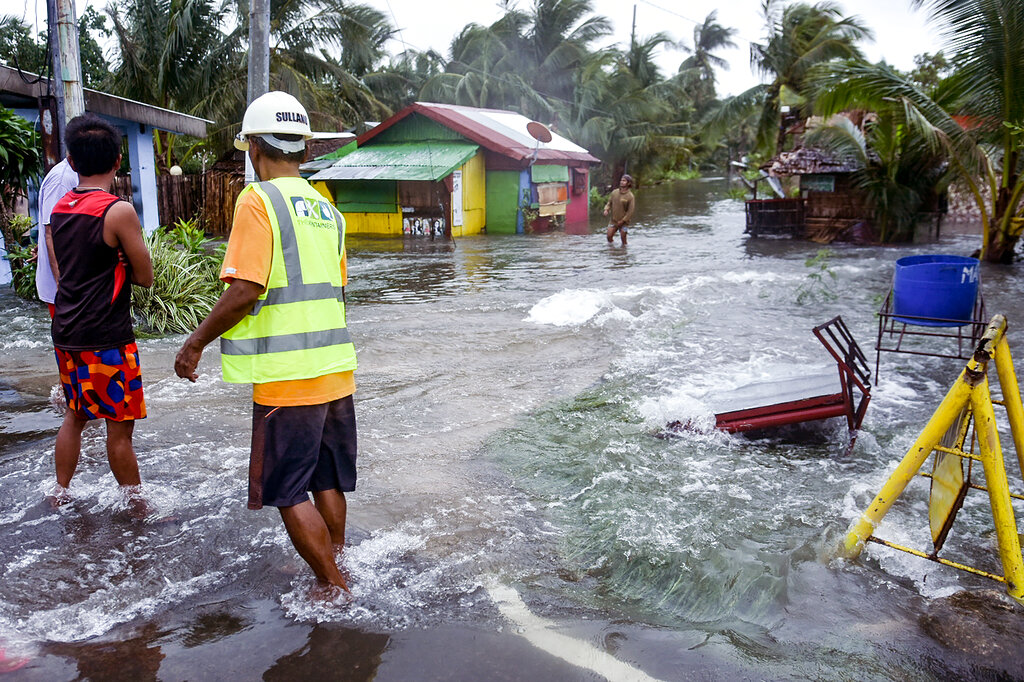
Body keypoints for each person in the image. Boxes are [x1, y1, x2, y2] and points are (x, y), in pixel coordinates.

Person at [174, 91, 358, 595]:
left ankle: (333, 585)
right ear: (302, 146)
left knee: (286, 489)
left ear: (254, 146)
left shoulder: (258, 200)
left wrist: (195, 343)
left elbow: (246, 288)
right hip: (335, 369)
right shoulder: (328, 209)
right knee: (326, 478)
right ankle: (336, 561)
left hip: (287, 377)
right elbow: (335, 289)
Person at [49, 114, 154, 504]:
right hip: (106, 334)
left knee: (75, 415)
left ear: (72, 162)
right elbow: (145, 277)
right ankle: (137, 504)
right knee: (119, 430)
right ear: (117, 162)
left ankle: (59, 492)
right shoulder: (118, 211)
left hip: (67, 330)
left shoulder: (62, 207)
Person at [36, 158, 80, 316]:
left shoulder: (74, 174)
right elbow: (52, 232)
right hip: (65, 288)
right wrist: (63, 287)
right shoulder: (62, 179)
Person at [603, 174, 636, 246]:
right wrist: (606, 209)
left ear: (628, 183)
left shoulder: (630, 196)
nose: (621, 182)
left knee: (623, 240)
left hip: (624, 222)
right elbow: (609, 203)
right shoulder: (614, 192)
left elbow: (630, 212)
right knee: (609, 237)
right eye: (621, 180)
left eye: (624, 181)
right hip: (614, 220)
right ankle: (612, 250)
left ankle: (623, 253)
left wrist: (623, 220)